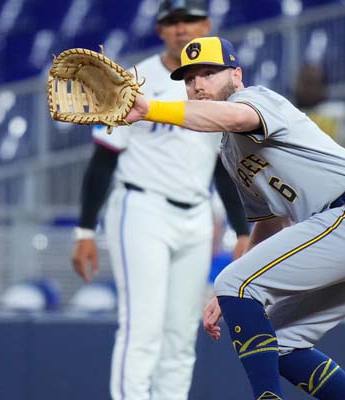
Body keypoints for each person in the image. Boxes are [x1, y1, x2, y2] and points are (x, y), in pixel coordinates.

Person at [123, 36, 345, 400]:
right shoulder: (230, 153)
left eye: (209, 73)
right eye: (189, 78)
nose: (197, 84)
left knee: (237, 284)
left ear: (237, 75)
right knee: (284, 342)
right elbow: (269, 221)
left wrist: (151, 109)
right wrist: (229, 291)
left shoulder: (254, 98)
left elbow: (233, 116)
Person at [71, 2, 250, 398]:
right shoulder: (134, 80)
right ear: (160, 30)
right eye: (172, 21)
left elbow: (220, 166)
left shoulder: (216, 84)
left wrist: (241, 229)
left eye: (190, 20)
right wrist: (84, 229)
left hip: (197, 216)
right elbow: (103, 160)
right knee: (142, 330)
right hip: (141, 209)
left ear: (206, 24)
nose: (181, 28)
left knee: (181, 336)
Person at [293, 63, 345, 146]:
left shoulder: (338, 113)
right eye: (304, 83)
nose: (307, 89)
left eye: (312, 83)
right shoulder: (288, 114)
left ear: (323, 87)